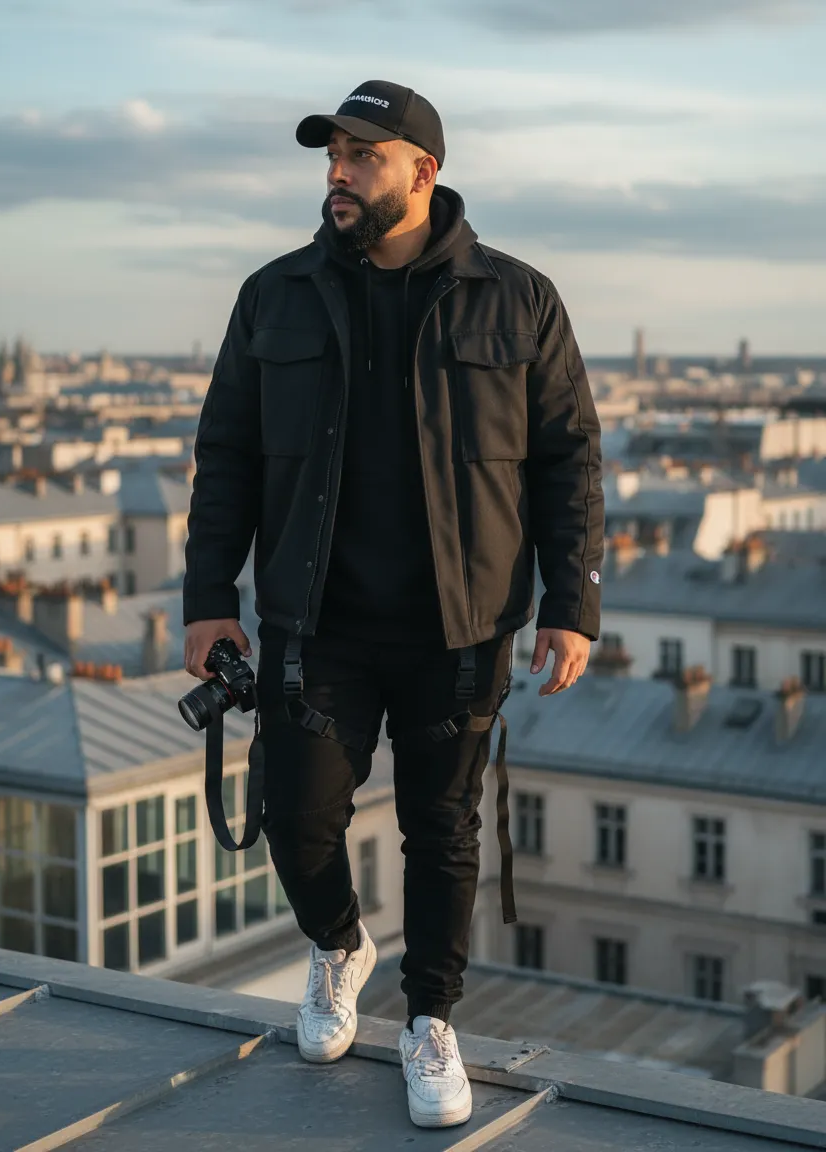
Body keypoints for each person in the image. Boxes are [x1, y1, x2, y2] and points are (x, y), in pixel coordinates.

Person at [184, 79, 604, 1129]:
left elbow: (567, 459)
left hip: (457, 623)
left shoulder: (518, 298)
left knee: (441, 825)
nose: (337, 172)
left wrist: (573, 601)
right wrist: (205, 599)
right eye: (330, 155)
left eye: (361, 156)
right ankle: (337, 947)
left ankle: (429, 1022)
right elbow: (225, 455)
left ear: (423, 170)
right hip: (310, 614)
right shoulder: (272, 295)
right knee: (294, 813)